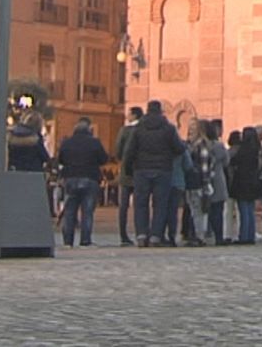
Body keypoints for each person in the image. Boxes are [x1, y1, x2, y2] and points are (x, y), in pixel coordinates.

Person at [121, 99, 184, 247]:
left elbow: (129, 151)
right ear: (160, 111)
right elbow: (179, 148)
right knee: (160, 205)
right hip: (163, 170)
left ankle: (141, 235)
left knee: (141, 204)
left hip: (141, 170)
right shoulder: (169, 129)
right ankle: (156, 236)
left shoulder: (138, 129)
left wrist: (129, 169)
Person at [57, 117, 109, 248]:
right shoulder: (95, 142)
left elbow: (60, 159)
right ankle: (85, 240)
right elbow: (103, 159)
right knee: (87, 211)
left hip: (70, 177)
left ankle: (68, 241)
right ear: (89, 130)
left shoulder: (67, 142)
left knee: (69, 211)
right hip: (90, 178)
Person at [112, 105, 142, 246]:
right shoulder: (142, 130)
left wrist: (123, 161)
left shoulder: (124, 131)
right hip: (140, 171)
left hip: (125, 172)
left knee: (123, 206)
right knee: (140, 205)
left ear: (134, 115)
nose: (127, 116)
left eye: (129, 114)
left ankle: (123, 235)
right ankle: (141, 233)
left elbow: (118, 150)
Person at [229, 127, 262, 245]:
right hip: (253, 182)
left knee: (244, 210)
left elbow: (233, 161)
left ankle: (244, 236)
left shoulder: (244, 149)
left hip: (242, 182)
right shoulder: (256, 149)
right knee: (250, 210)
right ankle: (250, 235)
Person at [205, 121, 229, 245]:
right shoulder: (219, 146)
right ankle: (219, 237)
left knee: (202, 209)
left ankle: (203, 234)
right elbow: (226, 162)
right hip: (218, 178)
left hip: (204, 178)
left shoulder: (201, 146)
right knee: (218, 209)